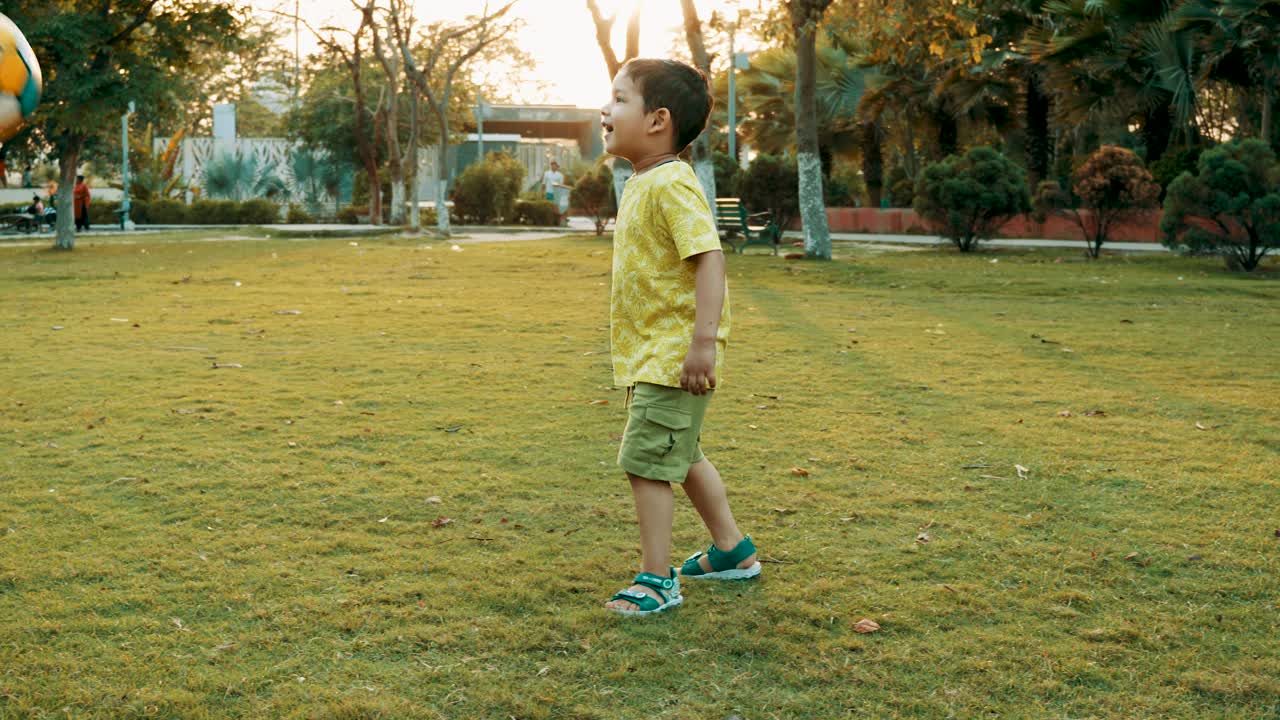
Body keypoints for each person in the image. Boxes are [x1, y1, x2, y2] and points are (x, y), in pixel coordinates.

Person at [600, 58, 758, 617]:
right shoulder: (644, 180)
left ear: (658, 120)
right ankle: (732, 551)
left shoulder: (671, 182)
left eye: (619, 100)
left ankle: (657, 579)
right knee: (682, 454)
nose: (605, 109)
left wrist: (702, 344)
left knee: (646, 462)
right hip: (653, 353)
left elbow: (709, 258)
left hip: (673, 355)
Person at [541, 160, 569, 225]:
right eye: (552, 165)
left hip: (557, 193)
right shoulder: (546, 173)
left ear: (557, 167)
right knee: (549, 206)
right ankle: (549, 220)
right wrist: (542, 192)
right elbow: (544, 183)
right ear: (550, 166)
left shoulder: (560, 175)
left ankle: (557, 220)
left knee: (556, 207)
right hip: (549, 192)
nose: (553, 166)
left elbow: (561, 186)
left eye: (555, 165)